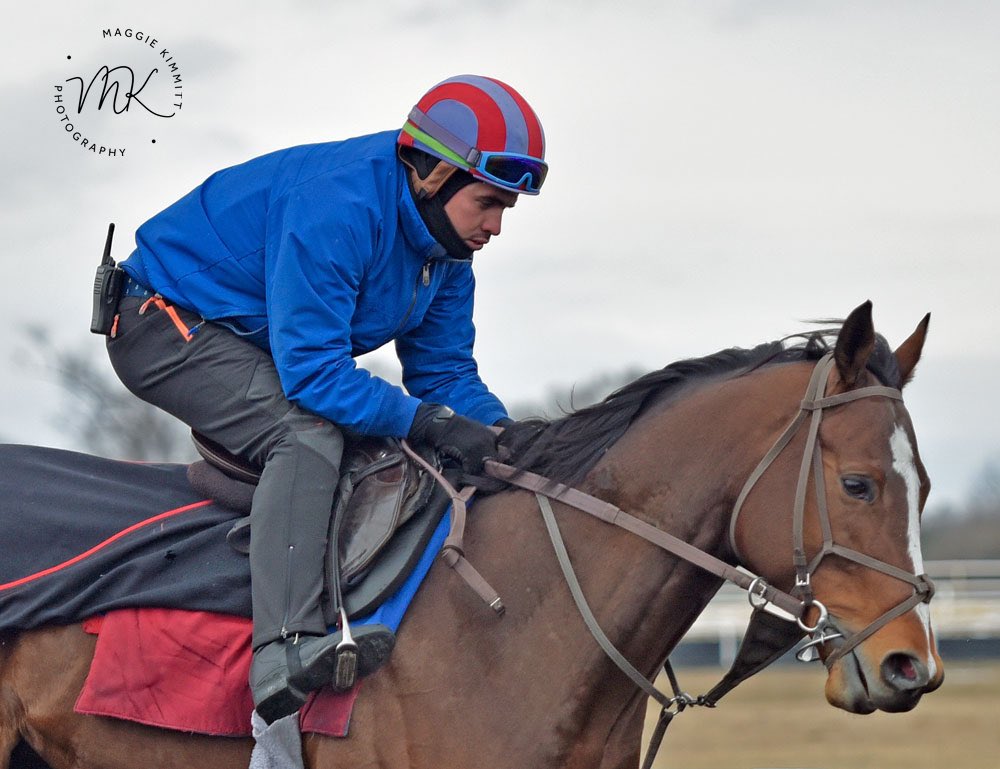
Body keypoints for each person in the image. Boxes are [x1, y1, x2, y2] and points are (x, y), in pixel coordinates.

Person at [103, 74, 547, 724]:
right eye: (487, 202)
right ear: (432, 174)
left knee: (396, 439)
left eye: (507, 208)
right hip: (159, 321)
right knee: (307, 434)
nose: (497, 226)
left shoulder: (447, 254)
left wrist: (510, 439)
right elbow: (314, 375)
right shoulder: (338, 207)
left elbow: (446, 375)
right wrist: (429, 421)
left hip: (244, 338)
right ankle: (283, 648)